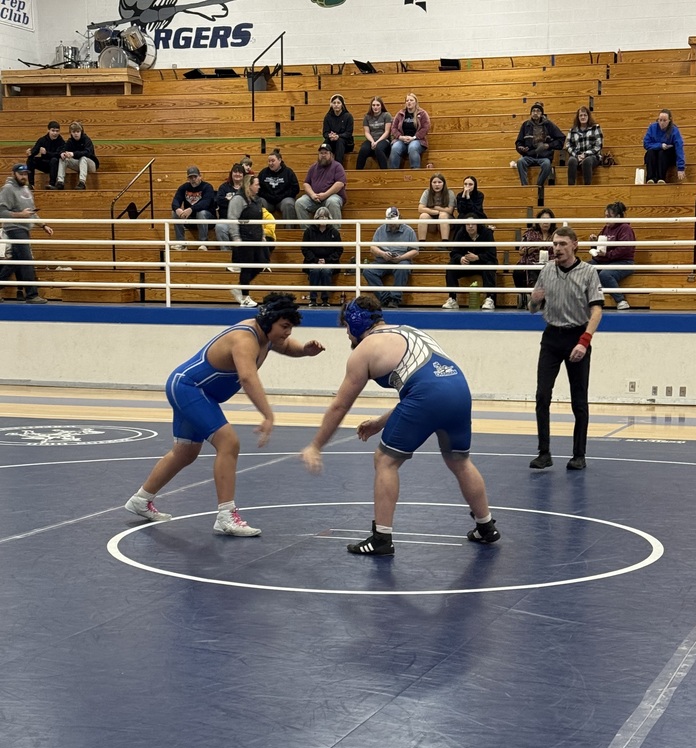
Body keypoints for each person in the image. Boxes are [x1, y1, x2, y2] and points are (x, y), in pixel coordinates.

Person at [300, 295, 500, 556]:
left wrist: (316, 445)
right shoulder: (408, 330)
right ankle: (486, 527)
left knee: (385, 460)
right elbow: (421, 385)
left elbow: (340, 405)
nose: (348, 335)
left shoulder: (364, 350)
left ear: (355, 323)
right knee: (460, 461)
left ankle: (381, 538)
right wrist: (381, 423)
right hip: (458, 388)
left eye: (347, 328)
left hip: (428, 395)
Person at [124, 293, 325, 536]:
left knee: (185, 453)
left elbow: (285, 345)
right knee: (228, 442)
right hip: (189, 388)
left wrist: (304, 350)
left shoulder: (266, 337)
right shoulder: (245, 339)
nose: (287, 333)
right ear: (268, 321)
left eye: (290, 328)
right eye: (284, 327)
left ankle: (141, 499)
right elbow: (248, 378)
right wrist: (268, 415)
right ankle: (226, 515)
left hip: (193, 390)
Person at [528, 227, 604, 471]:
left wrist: (584, 341)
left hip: (576, 336)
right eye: (554, 244)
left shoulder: (589, 272)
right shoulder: (547, 271)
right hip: (551, 337)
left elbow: (597, 311)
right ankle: (544, 452)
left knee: (578, 400)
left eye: (562, 244)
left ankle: (579, 454)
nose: (557, 248)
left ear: (574, 245)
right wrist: (534, 300)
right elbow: (532, 309)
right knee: (542, 395)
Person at [0, 162, 53, 304]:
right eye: (21, 174)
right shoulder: (7, 189)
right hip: (14, 228)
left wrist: (43, 225)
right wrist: (20, 215)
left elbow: (31, 211)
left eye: (25, 174)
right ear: (13, 174)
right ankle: (31, 294)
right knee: (27, 260)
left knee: (14, 263)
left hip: (24, 228)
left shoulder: (26, 189)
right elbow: (2, 212)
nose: (24, 177)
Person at [362, 206, 419, 308]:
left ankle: (395, 299)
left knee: (403, 267)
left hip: (401, 260)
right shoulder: (380, 229)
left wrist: (401, 258)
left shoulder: (409, 230)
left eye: (394, 221)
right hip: (383, 260)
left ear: (399, 218)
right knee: (367, 270)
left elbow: (415, 251)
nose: (392, 224)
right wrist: (382, 254)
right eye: (390, 222)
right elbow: (373, 247)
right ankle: (385, 298)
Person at [228, 174, 271, 308]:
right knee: (246, 268)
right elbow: (232, 218)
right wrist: (236, 238)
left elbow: (259, 220)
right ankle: (245, 297)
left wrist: (262, 235)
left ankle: (240, 288)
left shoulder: (257, 200)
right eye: (256, 184)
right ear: (249, 185)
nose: (259, 186)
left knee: (263, 262)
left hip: (257, 237)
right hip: (244, 238)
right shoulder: (238, 199)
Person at [588, 201, 636, 310]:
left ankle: (621, 300)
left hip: (624, 261)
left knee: (605, 275)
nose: (606, 219)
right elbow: (600, 248)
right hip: (606, 260)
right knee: (585, 268)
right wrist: (594, 243)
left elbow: (625, 249)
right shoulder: (606, 228)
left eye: (609, 216)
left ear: (618, 216)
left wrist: (607, 254)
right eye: (605, 216)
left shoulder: (625, 228)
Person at [441, 219, 498, 310]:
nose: (470, 226)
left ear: (477, 225)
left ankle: (490, 298)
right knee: (450, 267)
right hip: (466, 265)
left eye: (473, 224)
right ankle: (452, 298)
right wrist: (460, 258)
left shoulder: (487, 233)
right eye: (468, 224)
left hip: (482, 263)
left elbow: (492, 254)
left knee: (490, 265)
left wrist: (478, 257)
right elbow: (454, 253)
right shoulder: (460, 233)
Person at [512, 207, 557, 307]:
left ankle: (541, 298)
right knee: (518, 272)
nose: (546, 223)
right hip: (531, 261)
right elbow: (521, 250)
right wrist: (535, 247)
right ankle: (528, 296)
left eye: (548, 220)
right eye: (543, 220)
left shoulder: (556, 234)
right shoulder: (530, 233)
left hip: (551, 262)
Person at [295, 144, 347, 228]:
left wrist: (325, 195)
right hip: (314, 198)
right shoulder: (313, 167)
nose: (323, 155)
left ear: (331, 154)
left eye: (325, 153)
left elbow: (340, 183)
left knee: (332, 202)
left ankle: (335, 233)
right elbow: (306, 183)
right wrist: (312, 195)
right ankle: (308, 233)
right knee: (299, 203)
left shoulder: (337, 166)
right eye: (321, 153)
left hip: (332, 196)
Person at [514, 102, 565, 187]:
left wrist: (548, 145)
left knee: (547, 164)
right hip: (529, 156)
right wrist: (521, 148)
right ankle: (525, 187)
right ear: (531, 113)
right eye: (533, 111)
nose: (535, 113)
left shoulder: (549, 125)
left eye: (538, 111)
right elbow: (519, 142)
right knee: (520, 161)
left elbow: (561, 139)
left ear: (541, 114)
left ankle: (539, 186)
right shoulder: (525, 125)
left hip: (544, 157)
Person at [302, 207, 343, 306]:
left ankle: (325, 299)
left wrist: (327, 260)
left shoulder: (334, 232)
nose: (323, 219)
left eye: (325, 217)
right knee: (314, 270)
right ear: (316, 218)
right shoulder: (308, 231)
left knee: (326, 271)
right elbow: (305, 249)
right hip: (312, 261)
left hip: (330, 262)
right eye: (320, 217)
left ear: (329, 218)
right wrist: (315, 260)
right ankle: (313, 299)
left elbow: (339, 250)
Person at [171, 165, 216, 250]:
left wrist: (191, 209)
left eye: (195, 176)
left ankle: (203, 243)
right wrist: (178, 209)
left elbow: (206, 203)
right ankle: (181, 243)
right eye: (190, 177)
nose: (193, 179)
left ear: (200, 176)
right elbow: (175, 201)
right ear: (188, 178)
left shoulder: (207, 187)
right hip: (190, 218)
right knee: (174, 213)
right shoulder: (183, 187)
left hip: (208, 218)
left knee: (201, 213)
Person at [257, 148, 299, 225]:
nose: (270, 163)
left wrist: (281, 196)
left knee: (288, 204)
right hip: (268, 201)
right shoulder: (263, 173)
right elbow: (258, 189)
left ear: (279, 160)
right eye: (269, 161)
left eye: (273, 161)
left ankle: (290, 231)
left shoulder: (288, 172)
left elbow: (295, 189)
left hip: (283, 200)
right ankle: (261, 231)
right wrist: (268, 196)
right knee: (259, 202)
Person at [643, 108, 686, 184]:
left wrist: (680, 167)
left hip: (668, 155)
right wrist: (660, 145)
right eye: (660, 120)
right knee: (650, 153)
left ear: (669, 120)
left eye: (664, 120)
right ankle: (650, 178)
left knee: (662, 153)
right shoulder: (652, 127)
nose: (662, 123)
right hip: (654, 154)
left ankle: (661, 178)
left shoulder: (674, 130)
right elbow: (646, 143)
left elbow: (679, 148)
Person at [389, 94, 431, 169]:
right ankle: (393, 173)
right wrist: (400, 137)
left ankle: (415, 171)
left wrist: (414, 138)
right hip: (402, 140)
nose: (409, 102)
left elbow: (426, 128)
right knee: (395, 147)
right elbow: (393, 128)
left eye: (411, 100)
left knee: (412, 147)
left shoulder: (422, 113)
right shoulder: (400, 114)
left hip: (417, 140)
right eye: (407, 100)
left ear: (416, 102)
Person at [54, 121, 99, 191]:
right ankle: (60, 182)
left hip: (90, 164)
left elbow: (87, 152)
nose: (76, 134)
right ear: (71, 133)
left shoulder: (86, 140)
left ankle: (82, 182)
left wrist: (73, 154)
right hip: (79, 164)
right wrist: (62, 153)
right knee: (63, 158)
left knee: (83, 158)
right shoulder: (70, 141)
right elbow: (63, 149)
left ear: (81, 132)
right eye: (74, 132)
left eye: (78, 132)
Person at [565, 107, 603, 186]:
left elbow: (598, 145)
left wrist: (585, 154)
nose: (583, 117)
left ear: (588, 116)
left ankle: (587, 187)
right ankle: (570, 187)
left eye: (585, 115)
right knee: (571, 161)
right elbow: (568, 145)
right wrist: (577, 155)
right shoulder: (572, 130)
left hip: (593, 156)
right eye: (580, 115)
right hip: (577, 155)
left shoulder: (595, 127)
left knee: (587, 161)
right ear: (578, 117)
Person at [25, 121, 66, 191]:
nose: (55, 133)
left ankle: (52, 184)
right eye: (53, 131)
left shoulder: (61, 142)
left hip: (55, 166)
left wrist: (46, 153)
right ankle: (31, 184)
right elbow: (35, 150)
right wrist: (30, 153)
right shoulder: (42, 140)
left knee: (54, 160)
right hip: (45, 163)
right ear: (48, 130)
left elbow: (58, 155)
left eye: (57, 131)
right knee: (30, 160)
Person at [417, 173, 456, 243]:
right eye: (434, 182)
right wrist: (436, 212)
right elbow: (420, 208)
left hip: (447, 220)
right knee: (423, 216)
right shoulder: (427, 192)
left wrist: (436, 207)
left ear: (443, 183)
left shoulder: (449, 192)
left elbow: (450, 210)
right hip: (432, 221)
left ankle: (445, 243)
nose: (437, 184)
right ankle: (421, 243)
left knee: (443, 215)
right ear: (431, 184)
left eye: (439, 182)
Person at [213, 162, 245, 247]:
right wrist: (237, 204)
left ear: (243, 175)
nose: (237, 174)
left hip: (242, 221)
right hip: (225, 219)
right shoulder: (224, 187)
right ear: (231, 174)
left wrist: (229, 201)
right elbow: (219, 201)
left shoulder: (246, 189)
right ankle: (226, 252)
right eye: (235, 172)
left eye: (240, 172)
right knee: (219, 227)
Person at [356, 96, 392, 170]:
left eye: (378, 105)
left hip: (383, 139)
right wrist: (372, 141)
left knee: (378, 149)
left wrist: (377, 142)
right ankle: (358, 172)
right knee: (363, 150)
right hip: (371, 140)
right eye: (373, 105)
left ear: (381, 106)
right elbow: (367, 132)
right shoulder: (367, 117)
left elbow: (387, 132)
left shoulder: (386, 115)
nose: (375, 107)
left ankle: (385, 172)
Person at [322, 93, 355, 165]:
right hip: (332, 141)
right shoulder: (328, 117)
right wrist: (330, 136)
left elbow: (348, 133)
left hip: (346, 143)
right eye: (334, 103)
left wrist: (338, 136)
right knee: (324, 145)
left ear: (342, 104)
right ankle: (322, 165)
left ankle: (338, 166)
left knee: (339, 142)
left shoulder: (348, 116)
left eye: (338, 103)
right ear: (331, 105)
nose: (336, 105)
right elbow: (325, 133)